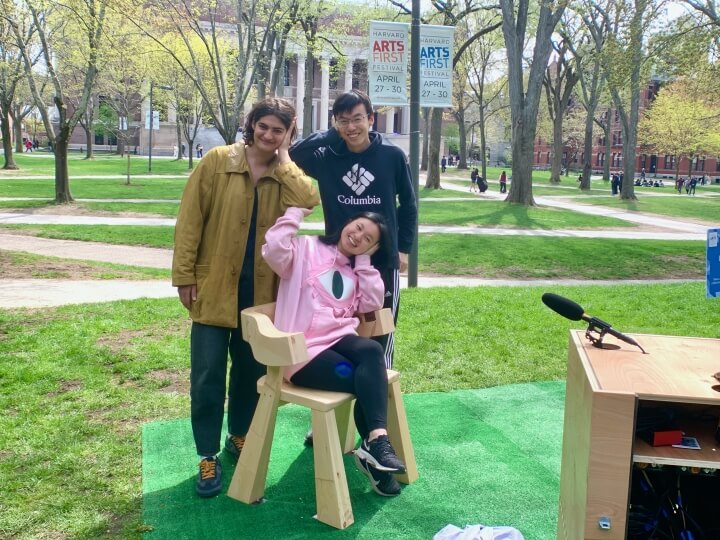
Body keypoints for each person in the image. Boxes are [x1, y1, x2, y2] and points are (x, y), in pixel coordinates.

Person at [172, 97, 320, 498]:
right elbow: (189, 221)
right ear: (250, 125)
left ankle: (238, 434)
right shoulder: (218, 160)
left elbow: (308, 199)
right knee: (206, 374)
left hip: (259, 294)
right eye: (264, 126)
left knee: (250, 371)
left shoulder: (284, 173)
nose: (269, 135)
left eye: (279, 129)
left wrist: (285, 156)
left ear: (288, 133)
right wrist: (184, 276)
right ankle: (207, 453)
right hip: (212, 286)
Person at [262, 206, 406, 497]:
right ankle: (374, 454)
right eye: (358, 227)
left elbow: (372, 302)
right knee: (368, 380)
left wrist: (363, 261)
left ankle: (376, 441)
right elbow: (273, 251)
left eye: (368, 239)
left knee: (370, 352)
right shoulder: (305, 248)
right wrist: (294, 214)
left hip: (337, 342)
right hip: (301, 353)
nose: (358, 236)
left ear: (373, 248)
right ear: (348, 222)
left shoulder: (356, 268)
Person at [290, 89, 417, 370]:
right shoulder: (326, 157)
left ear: (371, 119)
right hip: (338, 261)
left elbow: (408, 204)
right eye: (343, 120)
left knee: (379, 331)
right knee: (340, 331)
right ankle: (346, 386)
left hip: (381, 260)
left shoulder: (391, 156)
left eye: (358, 119)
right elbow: (293, 152)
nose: (351, 127)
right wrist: (334, 134)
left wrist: (404, 248)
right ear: (335, 123)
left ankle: (379, 393)